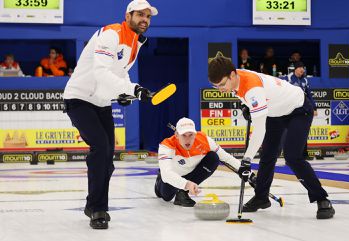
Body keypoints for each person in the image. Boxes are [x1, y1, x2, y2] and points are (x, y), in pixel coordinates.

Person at [63, 0, 158, 229]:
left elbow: (121, 74)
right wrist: (133, 90)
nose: (144, 19)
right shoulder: (111, 34)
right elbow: (100, 71)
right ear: (128, 15)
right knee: (101, 148)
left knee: (107, 160)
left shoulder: (135, 42)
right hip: (78, 98)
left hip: (102, 102)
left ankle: (92, 203)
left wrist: (126, 92)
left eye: (148, 16)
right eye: (140, 15)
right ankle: (98, 209)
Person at [208, 55, 335, 219]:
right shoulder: (235, 76)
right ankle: (261, 197)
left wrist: (246, 160)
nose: (220, 89)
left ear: (232, 75)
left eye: (222, 84)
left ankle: (322, 198)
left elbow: (259, 129)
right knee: (268, 154)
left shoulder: (253, 89)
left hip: (298, 109)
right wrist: (245, 105)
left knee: (292, 156)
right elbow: (243, 95)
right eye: (216, 86)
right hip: (276, 112)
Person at [155, 117, 243, 207]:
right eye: (184, 135)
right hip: (175, 174)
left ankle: (182, 192)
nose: (187, 139)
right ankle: (159, 180)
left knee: (213, 158)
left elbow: (226, 157)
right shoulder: (167, 145)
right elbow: (167, 174)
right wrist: (187, 184)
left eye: (191, 135)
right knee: (166, 197)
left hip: (191, 174)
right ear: (177, 135)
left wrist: (248, 173)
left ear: (195, 134)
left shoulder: (205, 140)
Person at [281, 61, 317, 160]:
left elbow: (309, 95)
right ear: (296, 69)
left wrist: (314, 107)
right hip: (290, 110)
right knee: (289, 132)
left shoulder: (305, 80)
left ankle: (304, 154)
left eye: (303, 69)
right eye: (300, 68)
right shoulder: (287, 78)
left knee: (303, 131)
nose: (302, 70)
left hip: (303, 110)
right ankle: (289, 155)